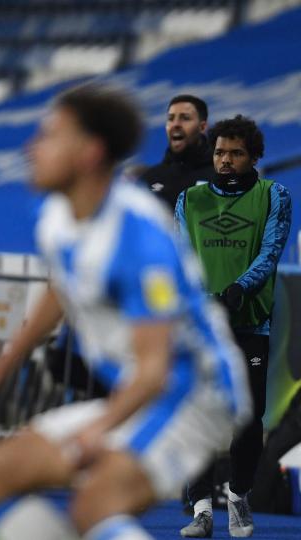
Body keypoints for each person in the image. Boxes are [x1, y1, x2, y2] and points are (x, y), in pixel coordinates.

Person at [0, 84, 252, 540]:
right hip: (140, 390)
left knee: (95, 506)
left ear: (89, 154)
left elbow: (157, 369)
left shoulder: (137, 237)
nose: (33, 147)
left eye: (50, 136)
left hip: (194, 394)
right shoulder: (57, 211)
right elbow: (61, 285)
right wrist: (2, 365)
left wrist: (103, 428)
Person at [177, 114, 291, 538]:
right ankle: (202, 507)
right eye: (220, 152)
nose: (225, 160)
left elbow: (271, 250)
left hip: (250, 323)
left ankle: (239, 494)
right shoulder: (191, 200)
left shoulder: (273, 195)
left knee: (247, 418)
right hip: (200, 325)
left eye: (236, 153)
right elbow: (179, 254)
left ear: (253, 156)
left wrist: (239, 289)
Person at [140, 95, 214, 210]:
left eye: (185, 118)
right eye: (171, 118)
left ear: (202, 127)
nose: (175, 124)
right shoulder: (149, 178)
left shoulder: (223, 176)